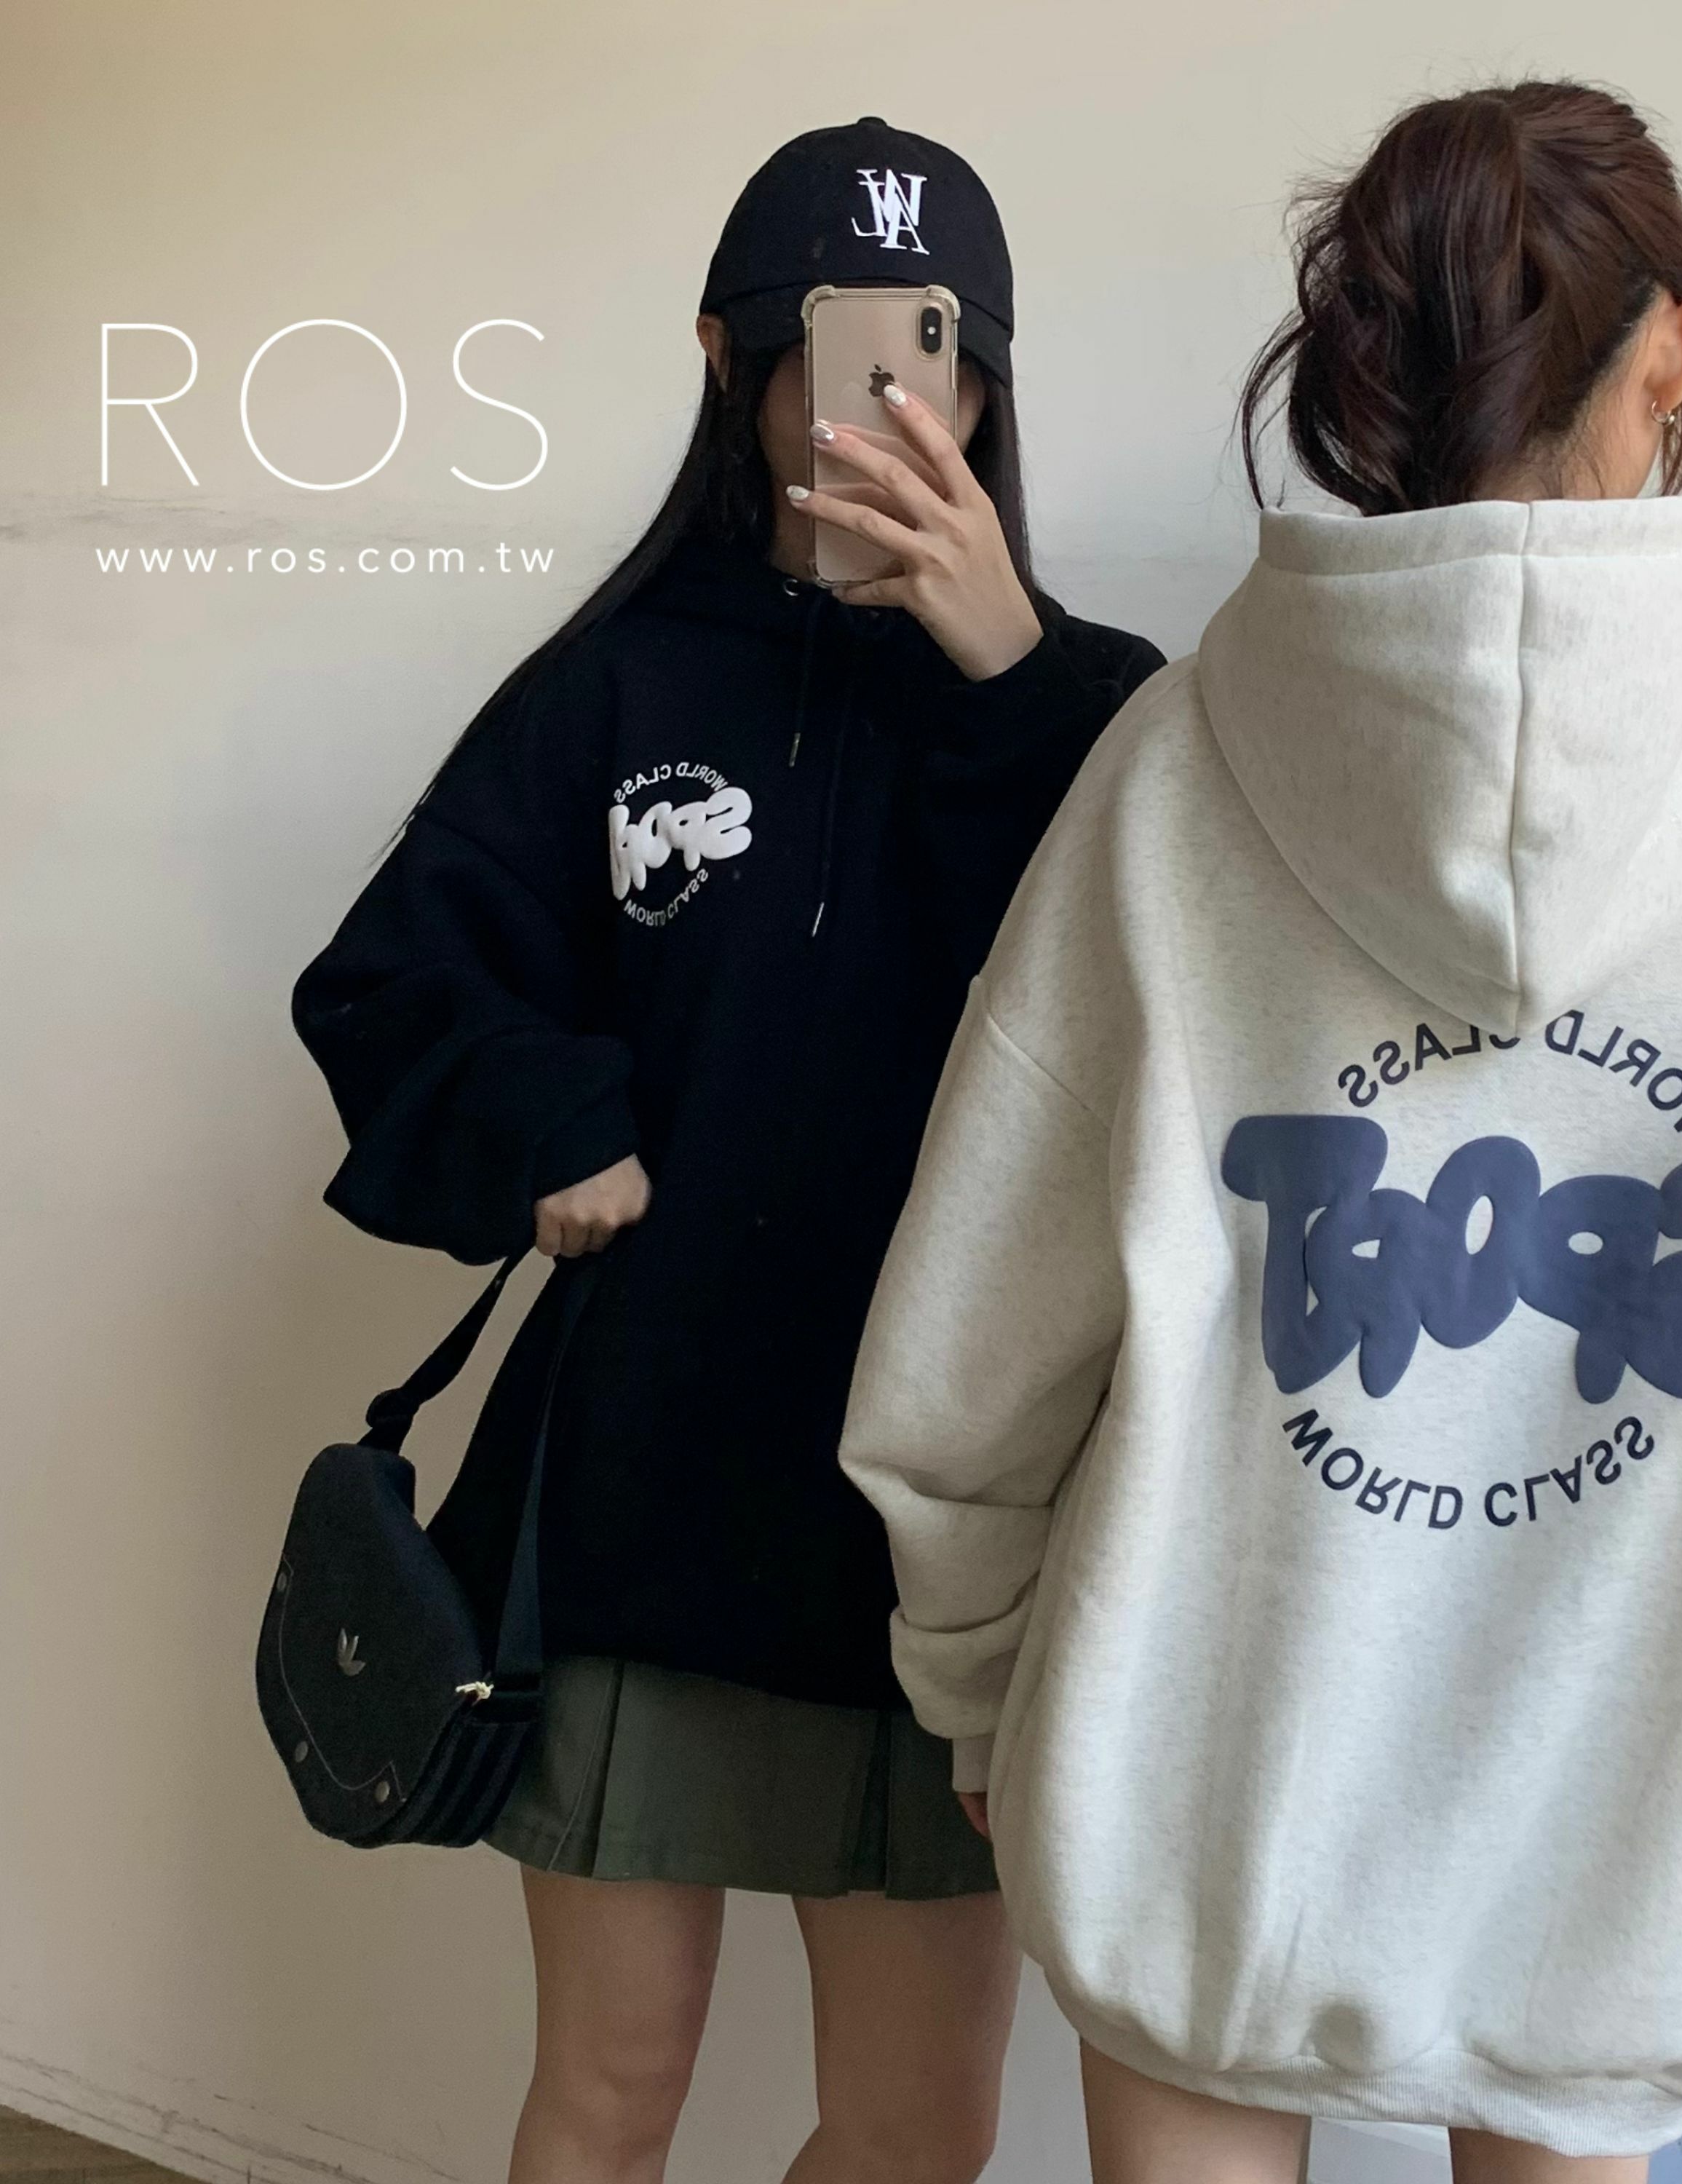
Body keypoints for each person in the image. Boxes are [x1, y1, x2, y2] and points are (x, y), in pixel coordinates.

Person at [839, 82, 1682, 2184]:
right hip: (1604, 1830)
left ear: (1363, 365)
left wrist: (974, 1672)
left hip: (1193, 1782)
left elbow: (980, 1319)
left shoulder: (1174, 770)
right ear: (1674, 348)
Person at [294, 117, 1162, 2184]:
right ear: (728, 354)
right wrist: (551, 1114)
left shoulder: (1100, 713)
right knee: (609, 2092)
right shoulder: (615, 685)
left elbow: (1180, 1034)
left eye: (942, 356)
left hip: (946, 1529)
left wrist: (1010, 681)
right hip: (646, 1487)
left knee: (920, 2129)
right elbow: (393, 975)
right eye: (841, 346)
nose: (900, 404)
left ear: (991, 377)